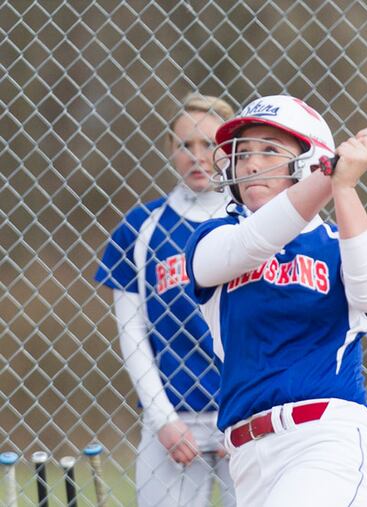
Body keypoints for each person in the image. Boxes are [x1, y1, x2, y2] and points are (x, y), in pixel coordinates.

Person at [183, 94, 367, 506]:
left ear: (309, 160)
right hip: (248, 456)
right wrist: (333, 171)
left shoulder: (341, 242)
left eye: (269, 151)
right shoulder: (215, 239)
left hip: (325, 441)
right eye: (242, 152)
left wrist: (344, 183)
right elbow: (252, 242)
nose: (249, 163)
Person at [94, 94, 237, 506]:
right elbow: (132, 332)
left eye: (209, 145)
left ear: (228, 150)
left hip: (245, 415)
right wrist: (163, 421)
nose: (197, 157)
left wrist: (249, 414)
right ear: (170, 151)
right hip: (173, 419)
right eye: (184, 146)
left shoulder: (255, 225)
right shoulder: (140, 228)